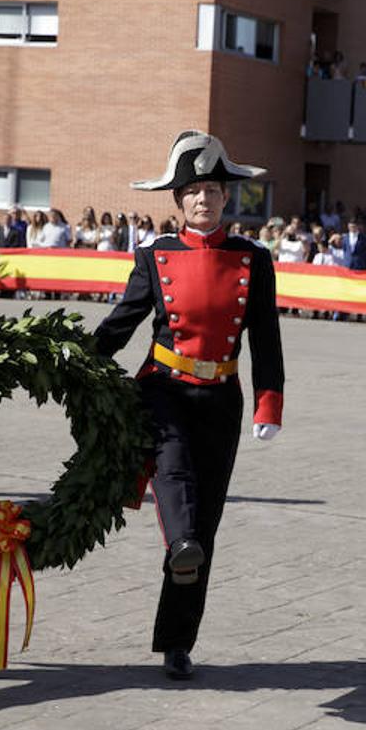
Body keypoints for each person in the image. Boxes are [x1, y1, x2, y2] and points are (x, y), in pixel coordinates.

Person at [94, 131, 284, 680]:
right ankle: (179, 544)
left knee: (205, 526)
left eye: (212, 190)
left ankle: (178, 642)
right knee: (172, 474)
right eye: (193, 190)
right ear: (179, 201)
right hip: (163, 388)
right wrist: (78, 360)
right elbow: (122, 323)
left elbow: (267, 340)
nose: (203, 199)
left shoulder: (254, 259)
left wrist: (268, 404)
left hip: (221, 397)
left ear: (228, 198)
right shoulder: (155, 255)